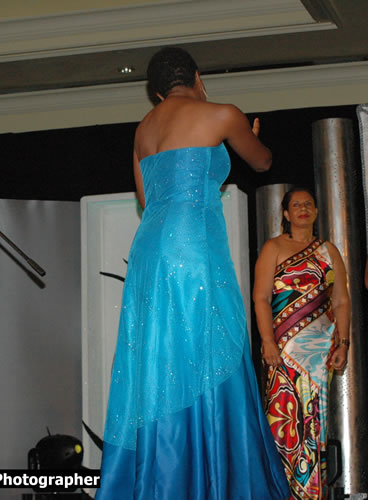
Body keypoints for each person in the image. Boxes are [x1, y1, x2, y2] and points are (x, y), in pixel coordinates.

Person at [95, 47, 289, 499]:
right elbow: (262, 161)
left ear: (157, 91)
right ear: (197, 78)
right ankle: (216, 479)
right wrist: (247, 132)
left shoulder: (144, 129)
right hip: (193, 248)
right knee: (211, 350)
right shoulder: (221, 112)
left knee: (161, 357)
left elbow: (145, 198)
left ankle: (165, 480)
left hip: (149, 250)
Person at [253, 187, 350, 499]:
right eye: (296, 204)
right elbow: (261, 298)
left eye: (309, 204)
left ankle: (310, 494)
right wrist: (267, 341)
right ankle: (279, 492)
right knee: (282, 422)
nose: (303, 208)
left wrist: (344, 343)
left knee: (314, 425)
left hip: (319, 355)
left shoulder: (328, 251)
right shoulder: (274, 248)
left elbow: (342, 300)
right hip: (283, 352)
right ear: (286, 214)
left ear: (316, 211)